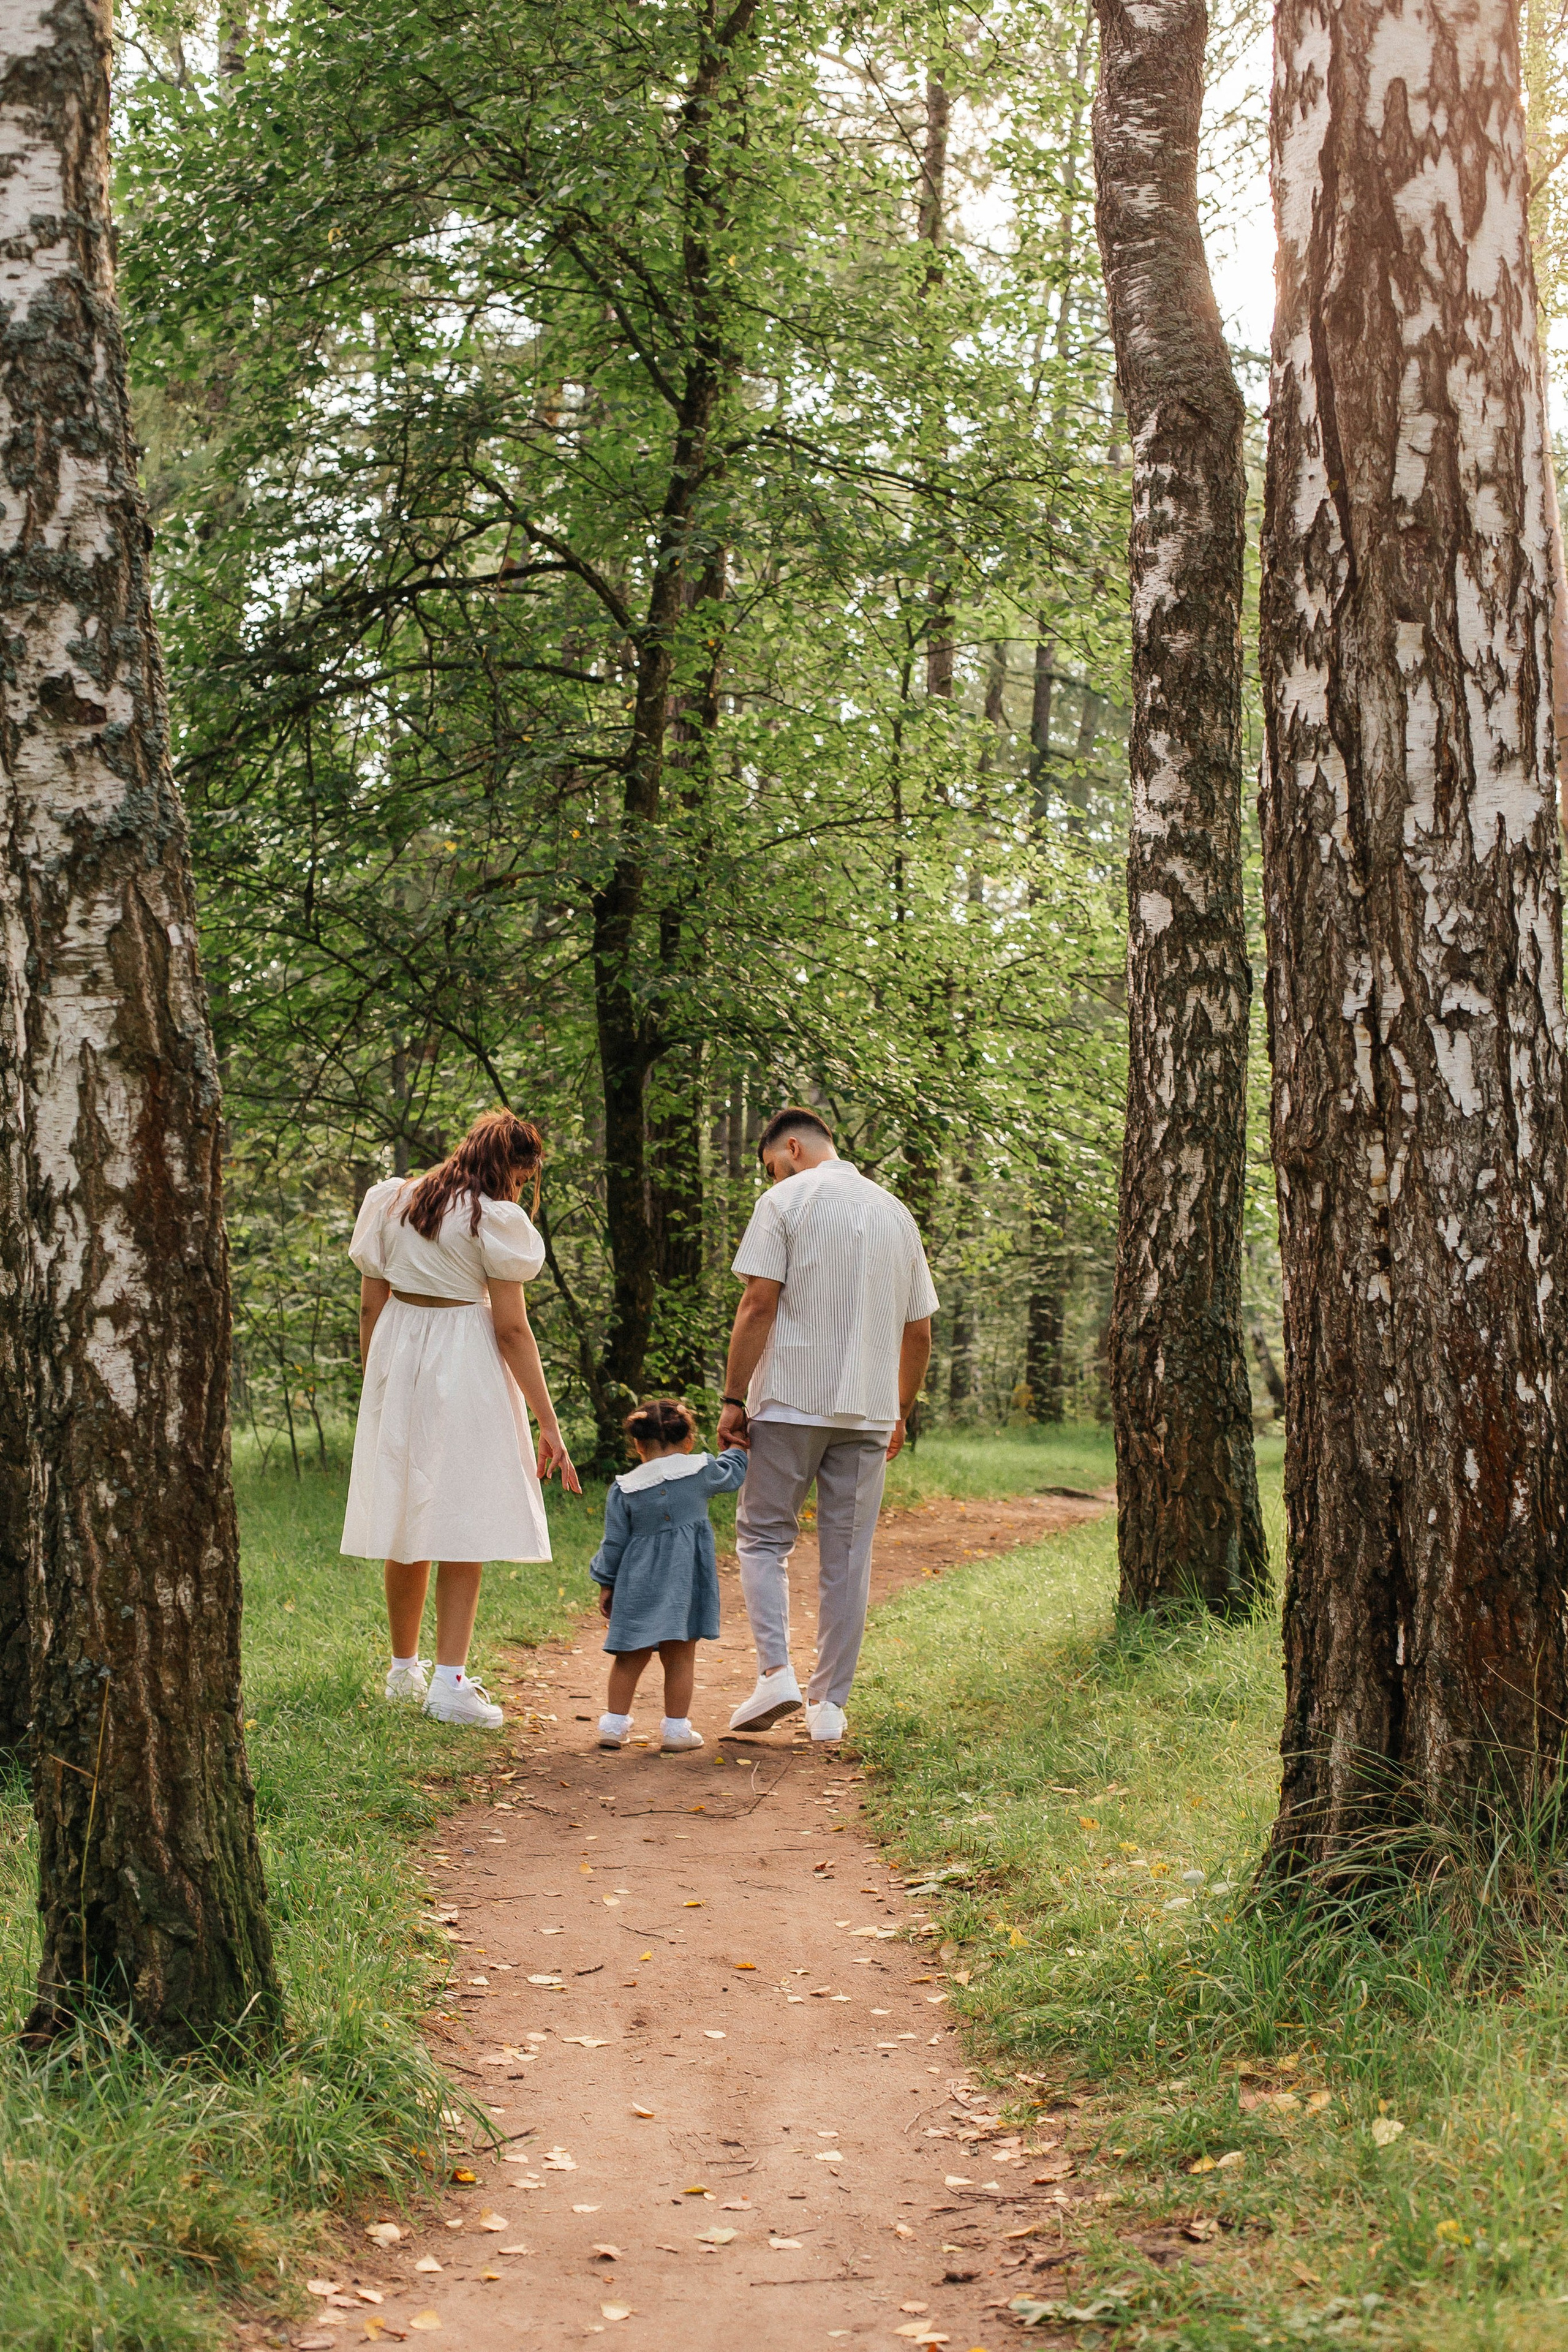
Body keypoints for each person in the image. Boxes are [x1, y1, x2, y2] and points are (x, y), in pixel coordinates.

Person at [342, 1109, 581, 1728]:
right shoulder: (491, 1217)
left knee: (404, 1512)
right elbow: (509, 1328)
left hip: (398, 1355)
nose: (523, 1191)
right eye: (525, 1179)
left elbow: (372, 1305)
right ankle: (448, 1682)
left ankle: (403, 1671)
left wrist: (379, 1384)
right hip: (463, 1359)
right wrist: (547, 1422)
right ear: (512, 1168)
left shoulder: (393, 1199)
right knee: (462, 1515)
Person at [717, 1106, 937, 1744]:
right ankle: (829, 1707)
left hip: (789, 1399)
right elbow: (918, 1330)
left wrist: (734, 1398)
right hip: (868, 1411)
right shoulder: (895, 1213)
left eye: (769, 1166)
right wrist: (899, 1407)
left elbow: (759, 1302)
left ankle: (774, 1673)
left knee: (763, 1539)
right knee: (847, 1554)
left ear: (790, 1148)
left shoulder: (785, 1201)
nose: (770, 1175)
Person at [590, 1398, 748, 1752]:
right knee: (680, 1656)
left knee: (630, 1654)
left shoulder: (624, 1488)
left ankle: (614, 1726)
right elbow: (734, 1474)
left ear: (638, 1445)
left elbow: (614, 1542)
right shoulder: (701, 1471)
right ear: (689, 1441)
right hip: (685, 1581)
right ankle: (676, 1732)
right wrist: (738, 1445)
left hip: (637, 1581)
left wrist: (606, 1583)